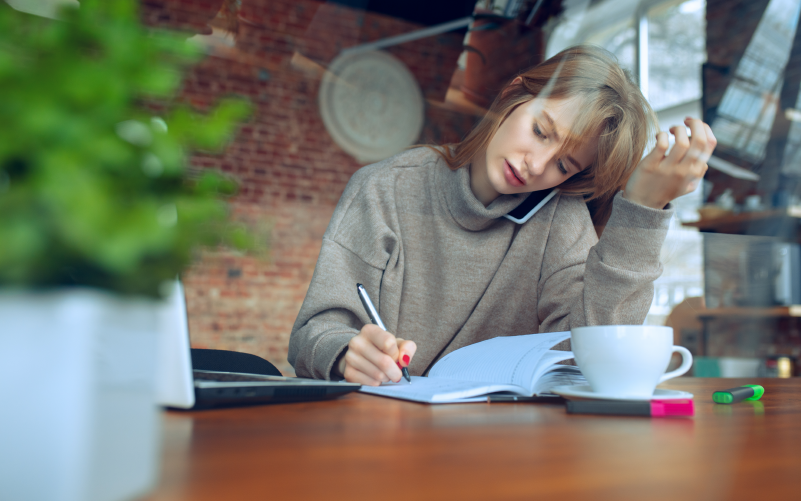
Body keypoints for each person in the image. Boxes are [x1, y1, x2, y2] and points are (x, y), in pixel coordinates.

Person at [288, 45, 716, 386]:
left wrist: (641, 211)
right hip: (379, 435)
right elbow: (314, 332)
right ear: (515, 95)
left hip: (498, 448)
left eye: (564, 165)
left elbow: (597, 355)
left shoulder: (559, 219)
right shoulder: (385, 188)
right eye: (540, 131)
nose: (536, 164)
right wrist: (346, 353)